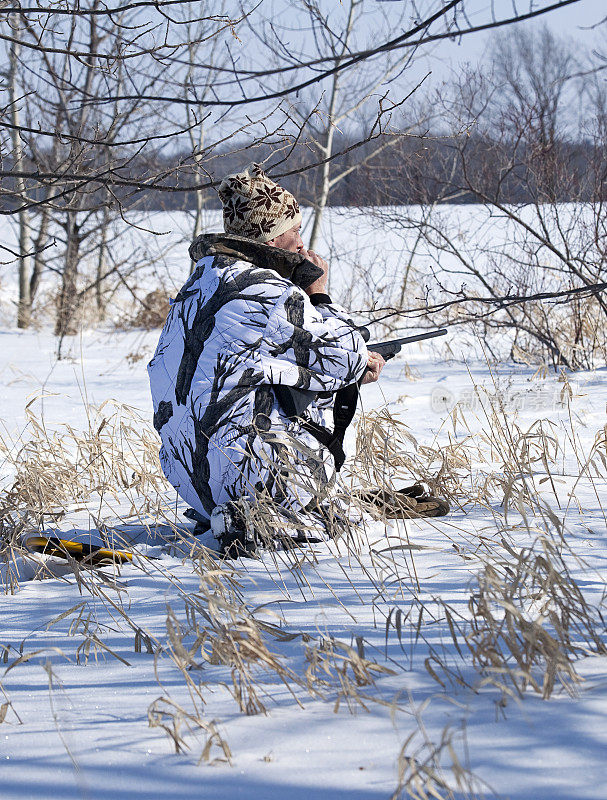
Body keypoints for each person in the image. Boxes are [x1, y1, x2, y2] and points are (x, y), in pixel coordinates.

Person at [148, 163, 446, 556]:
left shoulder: (194, 290)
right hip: (251, 481)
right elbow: (344, 355)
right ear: (271, 239)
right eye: (296, 233)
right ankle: (277, 514)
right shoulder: (263, 289)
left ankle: (262, 508)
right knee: (327, 386)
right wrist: (318, 293)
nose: (303, 246)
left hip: (193, 482)